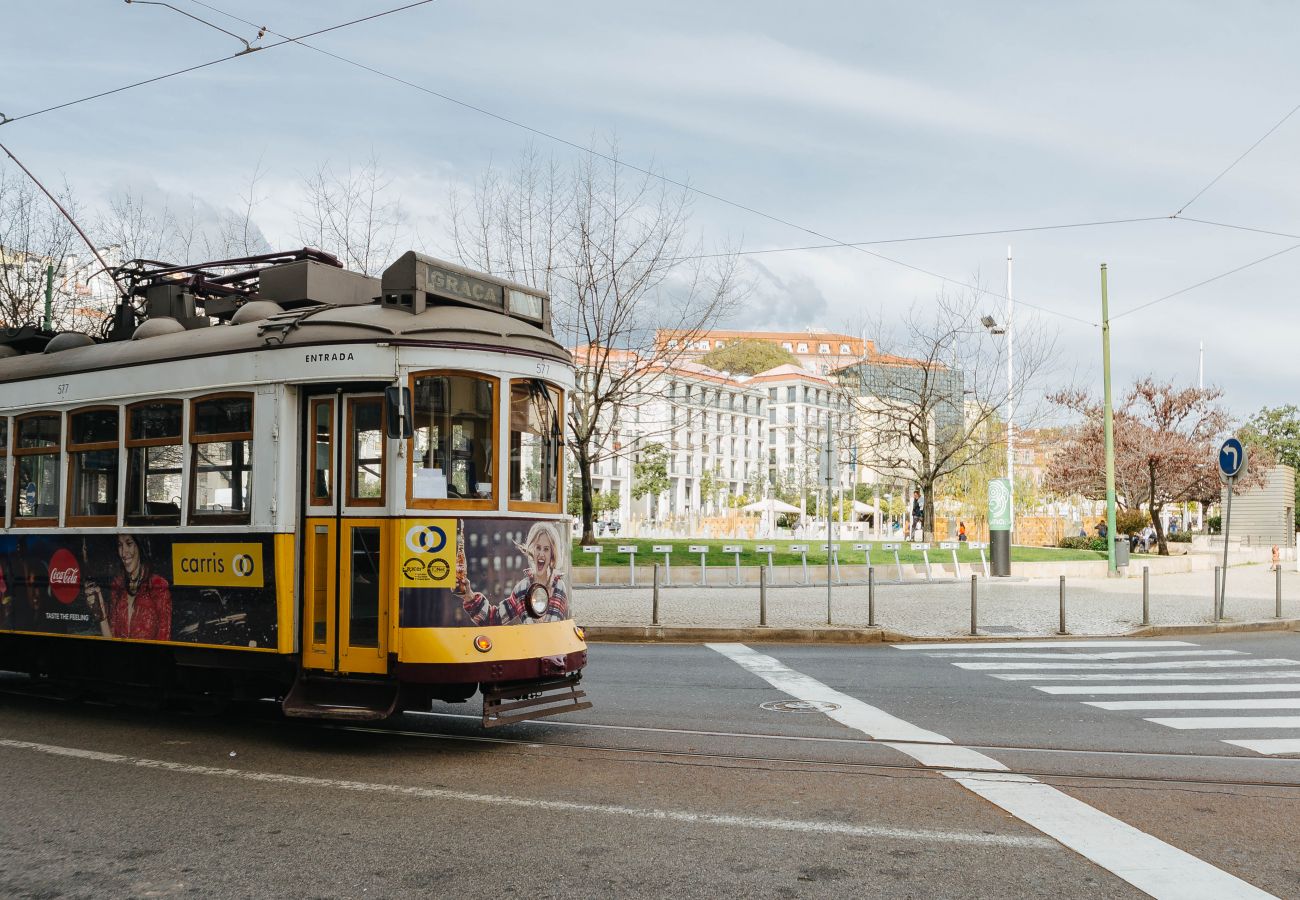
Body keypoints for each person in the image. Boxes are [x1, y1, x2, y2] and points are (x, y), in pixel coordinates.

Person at [456, 521, 569, 626]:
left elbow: (564, 628)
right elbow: (493, 619)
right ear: (531, 550)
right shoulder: (522, 589)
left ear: (552, 554)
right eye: (538, 548)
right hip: (530, 647)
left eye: (546, 549)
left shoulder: (560, 587)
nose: (541, 554)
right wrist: (469, 596)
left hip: (554, 647)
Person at [86, 534, 172, 641]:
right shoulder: (117, 585)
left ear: (140, 546)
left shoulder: (158, 586)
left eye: (129, 543)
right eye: (120, 545)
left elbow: (164, 639)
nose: (123, 552)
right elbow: (111, 640)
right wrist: (101, 614)